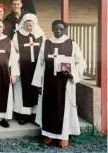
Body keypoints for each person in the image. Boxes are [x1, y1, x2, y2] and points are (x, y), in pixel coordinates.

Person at [32, 20, 86, 148]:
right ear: (52, 29)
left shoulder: (71, 44)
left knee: (64, 109)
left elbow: (81, 62)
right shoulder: (46, 44)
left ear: (65, 29)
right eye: (56, 28)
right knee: (49, 107)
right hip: (48, 82)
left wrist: (72, 74)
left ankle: (63, 136)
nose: (58, 31)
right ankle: (48, 134)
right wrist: (38, 83)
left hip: (65, 83)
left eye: (61, 29)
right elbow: (40, 64)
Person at [12, 13, 45, 125]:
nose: (29, 27)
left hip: (36, 67)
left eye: (31, 25)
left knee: (35, 89)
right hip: (22, 67)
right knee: (21, 90)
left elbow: (43, 51)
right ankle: (23, 115)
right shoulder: (17, 35)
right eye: (27, 25)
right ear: (23, 24)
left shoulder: (40, 35)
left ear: (34, 24)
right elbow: (14, 51)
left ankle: (35, 114)